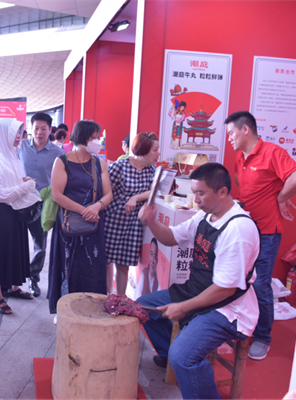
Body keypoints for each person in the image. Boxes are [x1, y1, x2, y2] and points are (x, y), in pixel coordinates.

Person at [137, 162, 260, 400]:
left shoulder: (238, 230)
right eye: (194, 192)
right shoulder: (205, 216)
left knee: (183, 356)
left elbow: (225, 290)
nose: (195, 200)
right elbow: (171, 237)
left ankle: (181, 360)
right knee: (143, 307)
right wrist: (151, 221)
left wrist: (183, 307)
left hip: (227, 309)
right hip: (197, 290)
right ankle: (171, 354)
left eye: (200, 193)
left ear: (222, 192)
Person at [226, 110, 296, 360]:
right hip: (244, 230)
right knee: (240, 281)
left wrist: (281, 197)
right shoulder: (240, 156)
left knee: (260, 285)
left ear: (245, 130)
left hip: (267, 233)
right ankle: (243, 327)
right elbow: (244, 184)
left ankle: (263, 337)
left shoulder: (273, 152)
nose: (229, 138)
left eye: (231, 133)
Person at [48, 120, 113, 313]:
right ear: (82, 138)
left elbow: (108, 194)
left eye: (97, 137)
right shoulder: (63, 161)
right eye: (93, 137)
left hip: (94, 224)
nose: (97, 141)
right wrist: (85, 211)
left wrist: (97, 206)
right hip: (69, 223)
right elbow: (57, 194)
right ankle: (65, 310)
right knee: (68, 266)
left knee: (92, 266)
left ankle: (91, 308)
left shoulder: (99, 163)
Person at [0, 118, 40, 314]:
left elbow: (15, 182)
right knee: (0, 254)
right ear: (4, 134)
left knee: (16, 250)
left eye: (20, 132)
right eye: (15, 132)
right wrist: (25, 186)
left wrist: (25, 182)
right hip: (4, 213)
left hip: (17, 211)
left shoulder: (13, 154)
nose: (19, 136)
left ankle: (14, 287)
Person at [105, 132, 159, 295]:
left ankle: (120, 299)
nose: (158, 154)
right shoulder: (119, 166)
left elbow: (153, 191)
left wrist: (135, 197)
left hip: (133, 224)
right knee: (106, 262)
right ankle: (106, 295)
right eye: (155, 150)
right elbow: (106, 193)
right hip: (113, 220)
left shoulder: (151, 169)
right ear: (143, 151)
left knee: (123, 265)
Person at [17, 112, 65, 297]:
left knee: (40, 244)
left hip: (42, 204)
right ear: (31, 128)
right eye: (36, 128)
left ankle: (33, 279)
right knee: (17, 242)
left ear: (50, 129)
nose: (39, 132)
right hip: (19, 201)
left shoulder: (58, 153)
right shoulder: (21, 146)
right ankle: (14, 280)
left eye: (43, 129)